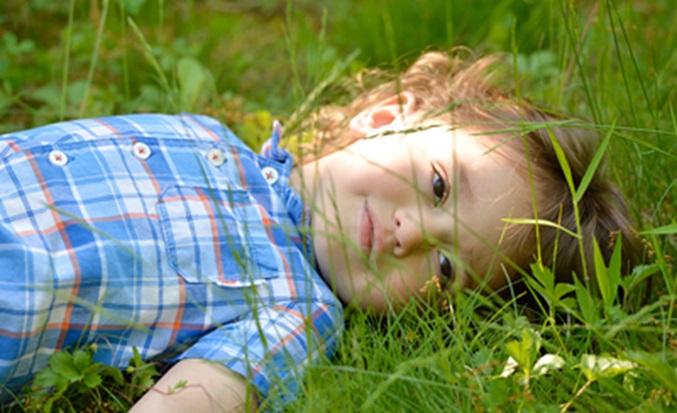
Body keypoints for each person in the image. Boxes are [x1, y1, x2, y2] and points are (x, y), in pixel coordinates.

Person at [0, 50, 641, 411]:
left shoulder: (296, 315)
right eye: (439, 185)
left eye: (447, 269)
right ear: (389, 116)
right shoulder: (207, 134)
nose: (409, 233)